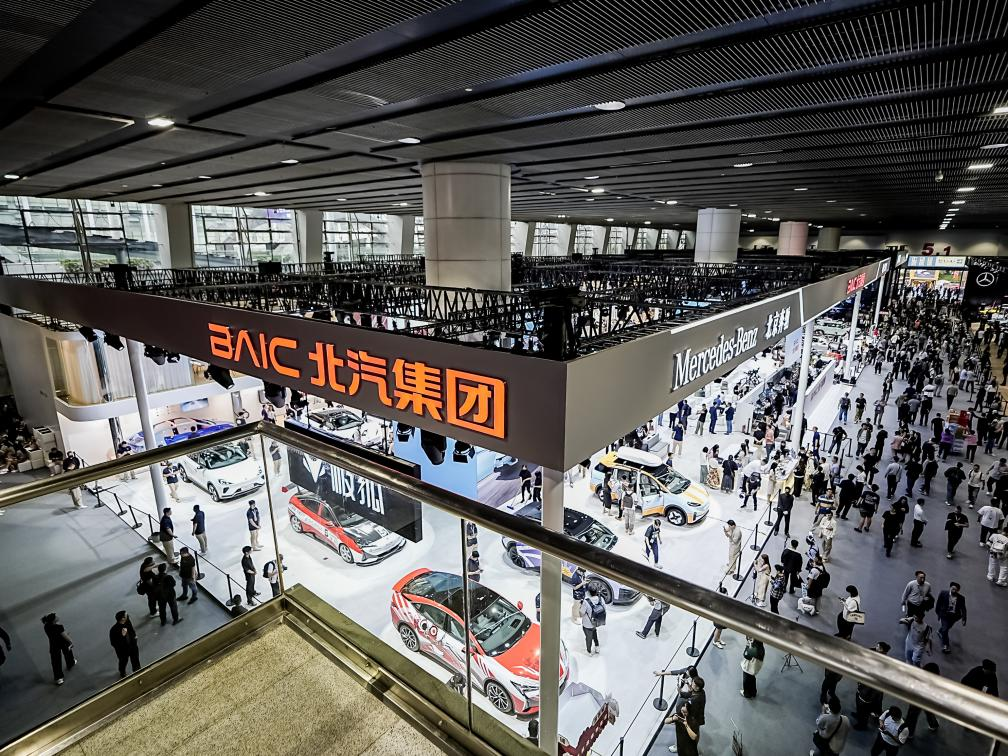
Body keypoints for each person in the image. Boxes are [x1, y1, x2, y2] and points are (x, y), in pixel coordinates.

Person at [663, 675, 704, 756]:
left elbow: (694, 737)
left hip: (689, 747)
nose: (691, 684)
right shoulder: (679, 716)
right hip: (681, 745)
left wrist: (686, 725)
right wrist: (673, 719)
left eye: (693, 684)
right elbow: (666, 721)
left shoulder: (693, 719)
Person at [853, 642, 891, 729]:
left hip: (868, 691)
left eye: (878, 647)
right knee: (860, 703)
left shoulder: (881, 664)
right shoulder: (875, 655)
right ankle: (859, 715)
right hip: (864, 686)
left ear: (882, 650)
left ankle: (862, 724)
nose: (876, 647)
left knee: (864, 707)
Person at [904, 662, 941, 737]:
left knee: (912, 715)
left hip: (917, 699)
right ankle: (933, 724)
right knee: (929, 712)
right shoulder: (935, 682)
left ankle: (910, 732)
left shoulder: (920, 678)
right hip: (928, 699)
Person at [41, 613, 75, 685]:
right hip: (63, 642)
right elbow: (64, 636)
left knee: (56, 661)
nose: (57, 617)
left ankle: (59, 678)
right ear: (53, 620)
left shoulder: (46, 626)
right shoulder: (59, 627)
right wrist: (71, 641)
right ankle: (70, 663)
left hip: (54, 644)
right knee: (68, 653)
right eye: (56, 617)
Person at [934, 582, 966, 654]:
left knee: (947, 627)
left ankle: (940, 631)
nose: (954, 590)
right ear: (950, 588)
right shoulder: (943, 593)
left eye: (956, 590)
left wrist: (964, 619)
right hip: (944, 615)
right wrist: (938, 614)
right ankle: (946, 645)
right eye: (953, 589)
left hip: (954, 617)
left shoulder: (961, 598)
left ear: (958, 590)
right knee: (945, 630)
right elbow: (938, 604)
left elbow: (963, 609)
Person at [109, 610, 140, 678]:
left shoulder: (127, 621)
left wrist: (135, 636)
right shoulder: (113, 630)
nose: (127, 615)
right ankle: (122, 672)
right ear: (122, 619)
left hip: (132, 646)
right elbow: (114, 643)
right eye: (126, 615)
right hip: (123, 651)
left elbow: (131, 629)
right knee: (123, 662)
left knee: (135, 660)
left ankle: (137, 672)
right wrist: (122, 636)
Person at [580, 586, 603, 654]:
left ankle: (589, 651)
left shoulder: (586, 602)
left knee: (588, 638)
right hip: (597, 622)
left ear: (589, 593)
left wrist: (580, 606)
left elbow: (581, 614)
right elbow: (603, 608)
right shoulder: (600, 599)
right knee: (594, 632)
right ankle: (597, 647)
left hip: (587, 624)